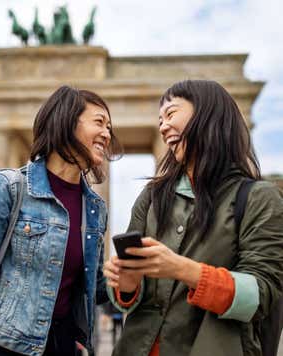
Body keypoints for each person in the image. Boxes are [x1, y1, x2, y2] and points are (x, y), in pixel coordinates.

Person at [103, 80, 283, 356]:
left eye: (171, 114)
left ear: (208, 115)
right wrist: (126, 284)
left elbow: (260, 297)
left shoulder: (259, 198)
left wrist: (181, 269)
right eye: (160, 120)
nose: (162, 127)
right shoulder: (152, 197)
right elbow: (130, 299)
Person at [0, 85, 122, 356]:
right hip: (2, 347)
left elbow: (92, 289)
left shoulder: (95, 208)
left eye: (109, 127)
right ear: (65, 121)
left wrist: (124, 278)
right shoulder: (8, 188)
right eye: (99, 122)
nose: (106, 133)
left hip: (62, 346)